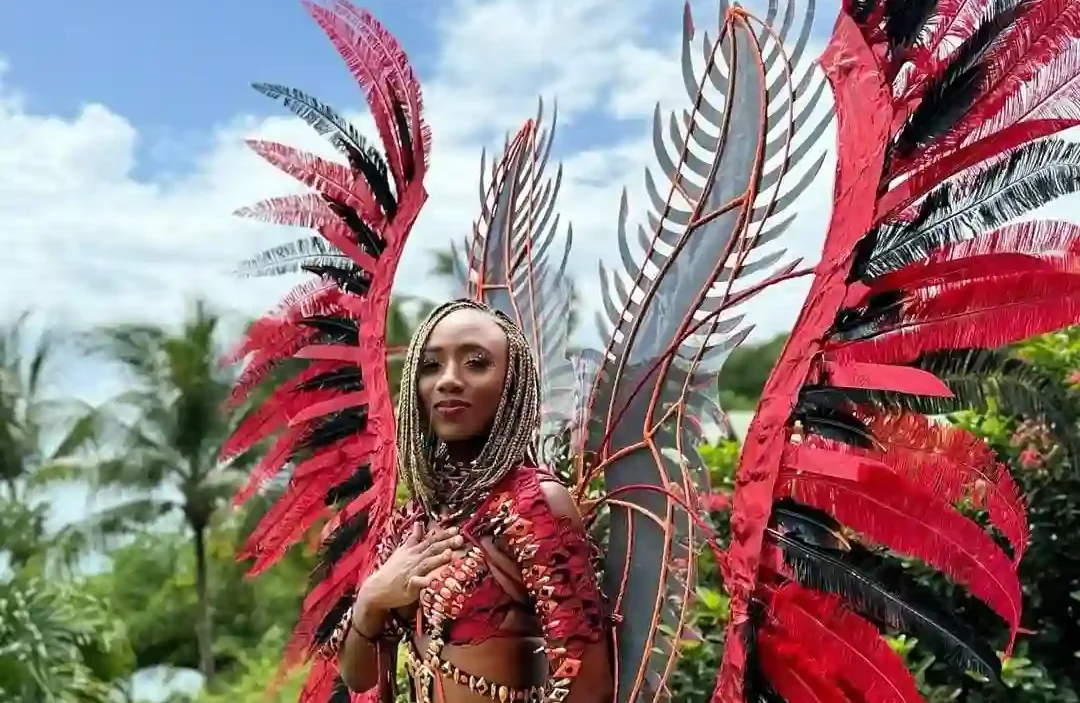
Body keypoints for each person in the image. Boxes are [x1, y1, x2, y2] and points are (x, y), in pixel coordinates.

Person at [327, 300, 612, 702]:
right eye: (431, 366)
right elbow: (359, 677)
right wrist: (373, 597)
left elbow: (590, 686)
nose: (448, 380)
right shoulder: (415, 522)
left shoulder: (535, 505)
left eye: (476, 363)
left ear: (511, 386)